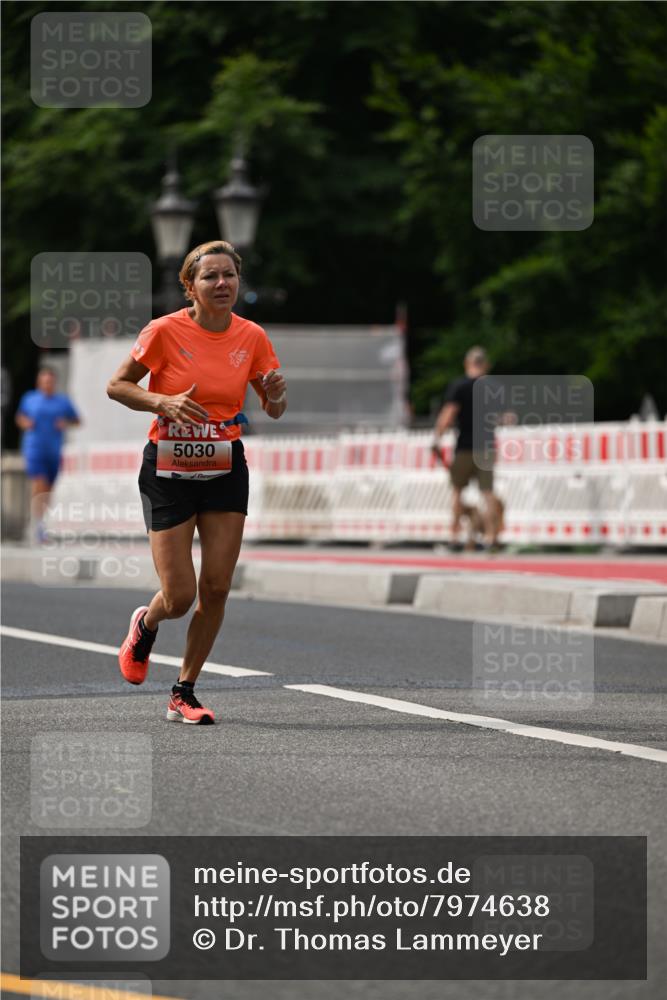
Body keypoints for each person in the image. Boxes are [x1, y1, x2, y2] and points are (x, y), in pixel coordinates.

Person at [107, 240, 286, 725]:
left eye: (229, 275)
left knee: (218, 586)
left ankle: (183, 690)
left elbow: (272, 407)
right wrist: (160, 402)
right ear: (191, 286)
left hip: (225, 464)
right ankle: (146, 623)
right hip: (168, 469)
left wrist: (273, 397)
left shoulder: (252, 336)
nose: (223, 284)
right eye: (210, 277)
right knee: (181, 595)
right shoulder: (165, 331)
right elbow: (117, 385)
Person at [432, 346, 504, 552]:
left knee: (457, 491)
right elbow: (503, 417)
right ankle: (491, 538)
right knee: (488, 492)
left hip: (464, 446)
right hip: (487, 446)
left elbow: (448, 414)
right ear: (486, 365)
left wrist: (437, 438)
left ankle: (454, 537)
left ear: (467, 364)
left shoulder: (459, 387)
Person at [15, 366, 81, 543]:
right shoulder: (30, 398)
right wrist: (25, 423)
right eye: (44, 381)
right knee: (39, 484)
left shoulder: (62, 401)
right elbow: (19, 417)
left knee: (48, 491)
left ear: (54, 383)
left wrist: (65, 422)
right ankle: (35, 527)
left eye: (50, 381)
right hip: (34, 449)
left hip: (54, 450)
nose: (47, 384)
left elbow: (77, 420)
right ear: (39, 382)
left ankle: (39, 523)